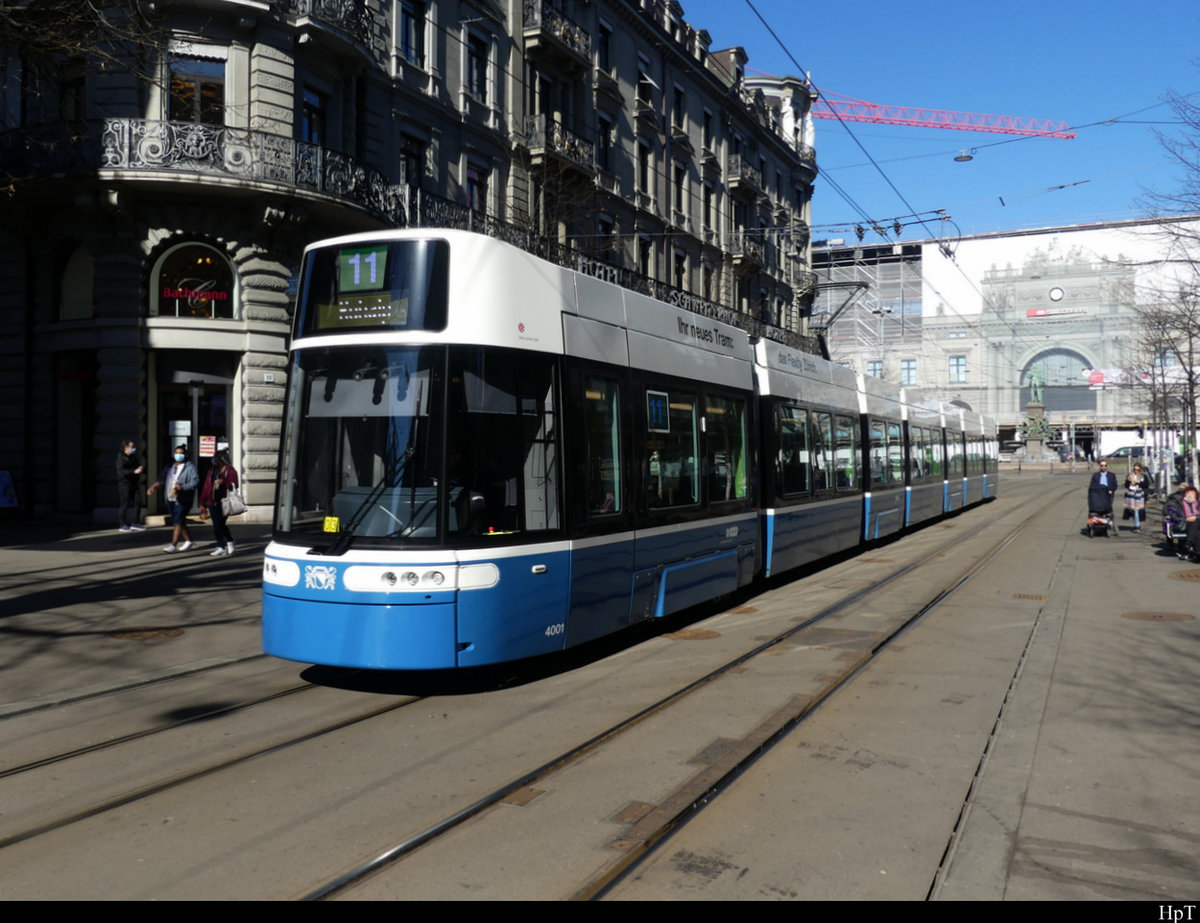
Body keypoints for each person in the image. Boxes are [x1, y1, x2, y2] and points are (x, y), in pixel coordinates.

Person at [147, 445, 199, 553]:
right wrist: (153, 487)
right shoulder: (169, 467)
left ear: (185, 455)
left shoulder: (190, 468)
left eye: (181, 453)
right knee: (178, 520)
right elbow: (161, 479)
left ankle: (173, 545)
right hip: (170, 497)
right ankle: (189, 540)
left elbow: (195, 482)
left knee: (178, 520)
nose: (178, 455)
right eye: (176, 453)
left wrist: (183, 487)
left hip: (183, 499)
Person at [199, 450, 239, 556]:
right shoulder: (212, 471)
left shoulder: (230, 470)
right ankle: (224, 544)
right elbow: (206, 487)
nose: (214, 460)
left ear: (222, 459)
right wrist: (202, 503)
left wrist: (224, 482)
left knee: (220, 524)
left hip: (224, 501)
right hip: (212, 501)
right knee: (217, 524)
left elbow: (234, 484)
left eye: (216, 458)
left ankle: (226, 543)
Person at [115, 440, 146, 532]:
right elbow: (120, 471)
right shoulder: (121, 457)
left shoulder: (132, 457)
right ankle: (123, 524)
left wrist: (139, 468)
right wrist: (133, 471)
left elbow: (136, 466)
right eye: (132, 447)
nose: (133, 449)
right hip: (124, 483)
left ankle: (135, 522)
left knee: (138, 501)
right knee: (124, 504)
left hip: (133, 483)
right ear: (126, 448)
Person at [1122, 464, 1151, 532]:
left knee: (1137, 510)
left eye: (1138, 470)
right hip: (1131, 494)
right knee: (1133, 510)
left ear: (1140, 470)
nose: (1136, 471)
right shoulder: (1130, 476)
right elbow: (1126, 484)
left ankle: (1137, 526)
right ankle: (1137, 525)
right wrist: (1130, 484)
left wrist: (1138, 483)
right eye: (1134, 469)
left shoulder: (1143, 476)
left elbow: (1146, 484)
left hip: (1140, 495)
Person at [1181, 485, 1200, 561]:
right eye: (1188, 493)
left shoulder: (1198, 503)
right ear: (1184, 494)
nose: (1190, 495)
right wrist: (1186, 518)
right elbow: (1177, 515)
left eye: (1192, 494)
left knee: (1196, 521)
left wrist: (1196, 517)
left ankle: (1188, 543)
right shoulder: (1180, 503)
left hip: (1197, 522)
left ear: (1196, 495)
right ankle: (1198, 553)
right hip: (1186, 523)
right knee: (1197, 533)